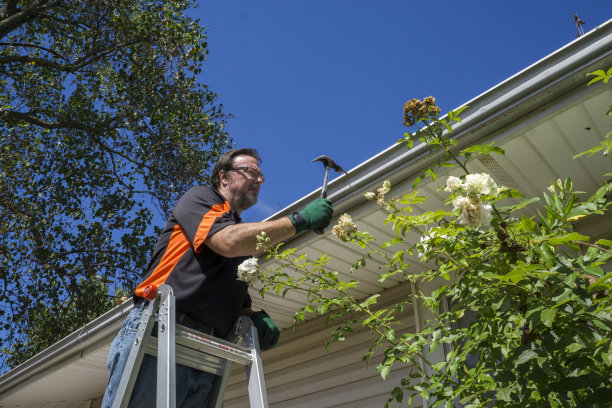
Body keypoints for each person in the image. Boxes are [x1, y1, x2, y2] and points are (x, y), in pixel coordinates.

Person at [102, 148, 333, 407]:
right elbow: (227, 241)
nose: (259, 180)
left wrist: (251, 316)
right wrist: (300, 220)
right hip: (159, 330)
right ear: (224, 177)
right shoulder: (201, 198)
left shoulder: (241, 240)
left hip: (206, 351)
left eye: (261, 176)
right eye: (251, 172)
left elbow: (225, 290)